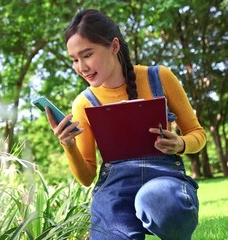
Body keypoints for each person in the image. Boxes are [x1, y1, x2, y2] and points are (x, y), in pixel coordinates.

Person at [45, 9, 206, 240]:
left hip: (164, 184)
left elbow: (197, 134)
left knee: (157, 199)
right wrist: (68, 145)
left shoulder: (159, 77)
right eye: (74, 60)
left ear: (114, 46)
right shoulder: (83, 103)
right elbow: (87, 177)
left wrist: (180, 143)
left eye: (87, 54)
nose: (81, 67)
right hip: (116, 190)